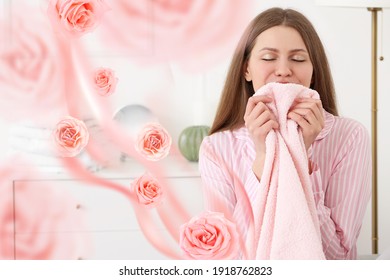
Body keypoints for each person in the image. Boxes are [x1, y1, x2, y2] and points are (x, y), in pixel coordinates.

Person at [198, 7, 371, 260]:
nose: (283, 70)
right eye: (268, 58)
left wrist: (301, 154)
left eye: (298, 59)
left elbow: (340, 255)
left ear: (313, 72)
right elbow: (228, 259)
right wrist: (263, 160)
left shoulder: (349, 137)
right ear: (246, 69)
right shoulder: (216, 148)